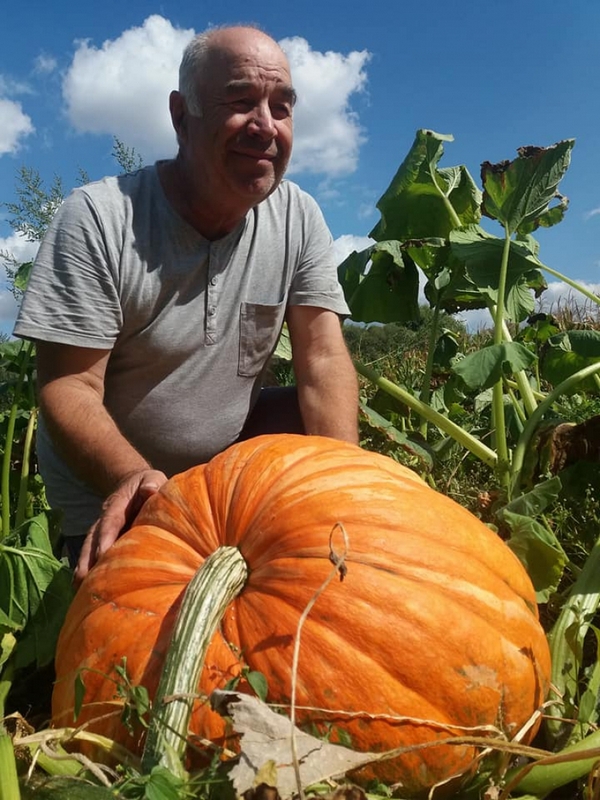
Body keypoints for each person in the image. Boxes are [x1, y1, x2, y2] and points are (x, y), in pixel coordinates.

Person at [13, 24, 359, 583]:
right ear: (181, 116)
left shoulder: (299, 217)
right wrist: (134, 476)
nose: (266, 126)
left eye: (281, 106)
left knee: (313, 423)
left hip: (225, 473)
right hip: (114, 484)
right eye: (241, 101)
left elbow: (322, 355)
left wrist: (345, 490)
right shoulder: (100, 219)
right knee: (128, 645)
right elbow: (67, 387)